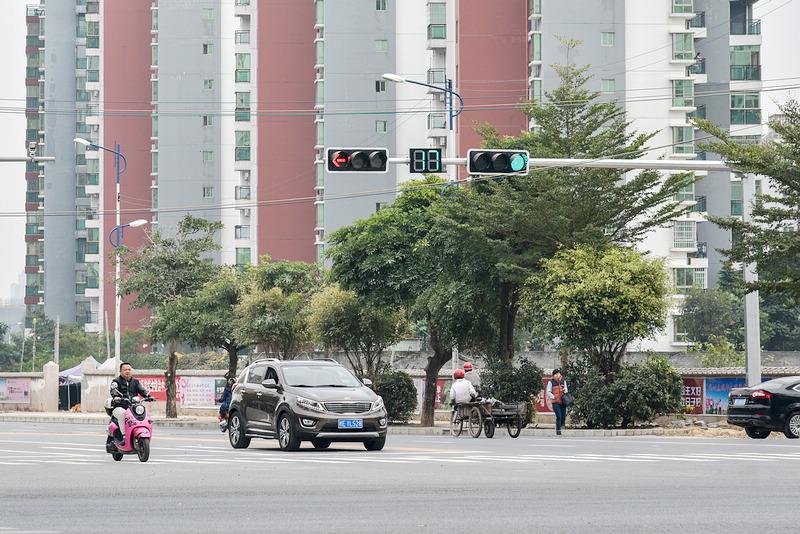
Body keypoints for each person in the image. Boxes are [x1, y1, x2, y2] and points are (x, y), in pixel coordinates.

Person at [110, 362, 151, 446]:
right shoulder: (116, 381)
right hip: (120, 406)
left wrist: (148, 396)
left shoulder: (135, 381)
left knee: (144, 413)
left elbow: (141, 390)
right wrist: (116, 397)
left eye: (129, 369)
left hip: (133, 407)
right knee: (122, 414)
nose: (127, 371)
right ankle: (124, 436)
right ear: (120, 371)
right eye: (125, 370)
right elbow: (113, 390)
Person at [546, 368, 568, 436]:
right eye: (556, 374)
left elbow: (567, 390)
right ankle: (558, 431)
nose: (558, 375)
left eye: (559, 373)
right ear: (553, 375)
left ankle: (559, 426)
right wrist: (553, 397)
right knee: (559, 416)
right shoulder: (551, 382)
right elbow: (548, 392)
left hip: (563, 401)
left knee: (563, 417)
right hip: (555, 402)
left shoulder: (563, 381)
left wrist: (564, 390)